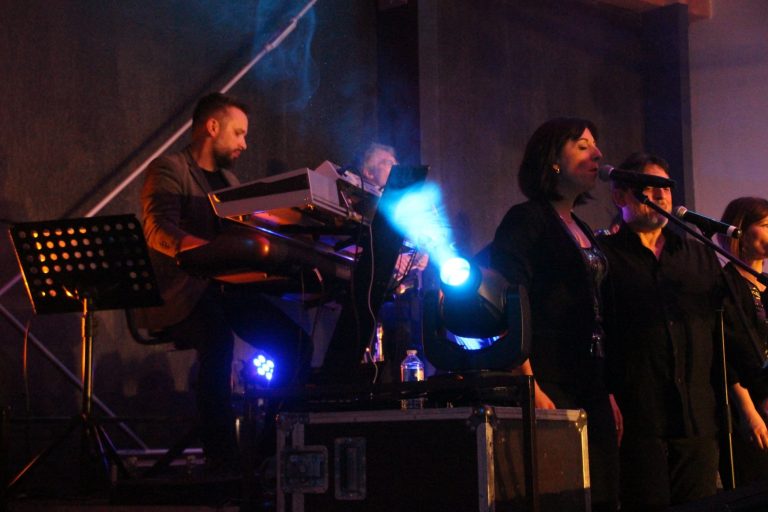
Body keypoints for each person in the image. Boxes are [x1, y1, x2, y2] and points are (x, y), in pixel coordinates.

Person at [138, 92, 312, 469]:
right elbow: (158, 230)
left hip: (223, 289)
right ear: (212, 127)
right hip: (180, 293)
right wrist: (208, 251)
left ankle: (269, 453)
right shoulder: (168, 169)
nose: (244, 144)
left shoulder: (229, 180)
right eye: (239, 133)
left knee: (296, 343)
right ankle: (222, 461)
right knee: (217, 340)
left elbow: (245, 235)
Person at [489, 117, 620, 512]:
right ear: (553, 161)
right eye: (582, 146)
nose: (597, 154)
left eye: (595, 145)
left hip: (589, 378)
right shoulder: (526, 219)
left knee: (603, 494)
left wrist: (607, 390)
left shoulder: (582, 227)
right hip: (546, 377)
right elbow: (507, 301)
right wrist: (528, 383)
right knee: (559, 495)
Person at [598, 152, 724, 510]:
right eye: (647, 188)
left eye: (664, 188)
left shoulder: (697, 254)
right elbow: (592, 330)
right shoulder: (603, 256)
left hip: (697, 418)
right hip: (638, 418)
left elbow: (721, 330)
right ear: (620, 196)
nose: (658, 195)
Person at [718, 197, 768, 486]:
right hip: (748, 413)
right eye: (765, 225)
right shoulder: (725, 283)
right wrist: (748, 411)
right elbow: (726, 355)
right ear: (739, 231)